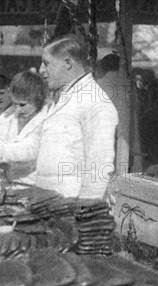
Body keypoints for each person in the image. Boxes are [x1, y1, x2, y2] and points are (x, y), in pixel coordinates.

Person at [33, 34, 118, 199]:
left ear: (68, 63)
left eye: (46, 63)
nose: (41, 70)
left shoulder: (95, 102)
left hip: (72, 206)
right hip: (51, 202)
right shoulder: (65, 96)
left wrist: (85, 210)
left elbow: (99, 164)